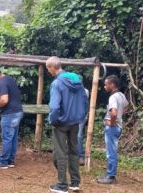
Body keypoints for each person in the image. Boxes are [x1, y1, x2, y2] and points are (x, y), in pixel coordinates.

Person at [46, 56, 88, 193]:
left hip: (61, 123)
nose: (48, 71)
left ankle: (62, 185)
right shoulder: (77, 81)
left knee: (60, 153)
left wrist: (53, 120)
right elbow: (85, 101)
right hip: (75, 122)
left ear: (53, 67)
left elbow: (54, 107)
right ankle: (75, 183)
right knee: (73, 152)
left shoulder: (57, 83)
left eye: (48, 68)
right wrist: (80, 116)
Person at [97, 75, 128, 184]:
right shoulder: (121, 95)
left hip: (112, 128)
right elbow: (126, 107)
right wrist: (119, 117)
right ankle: (109, 174)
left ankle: (111, 177)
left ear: (112, 85)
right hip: (117, 127)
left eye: (106, 84)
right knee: (112, 151)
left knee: (111, 152)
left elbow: (113, 112)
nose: (105, 86)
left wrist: (113, 121)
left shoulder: (113, 97)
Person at [77, 88, 89, 166]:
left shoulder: (85, 91)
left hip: (81, 116)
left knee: (79, 135)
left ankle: (81, 156)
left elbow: (84, 105)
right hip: (71, 116)